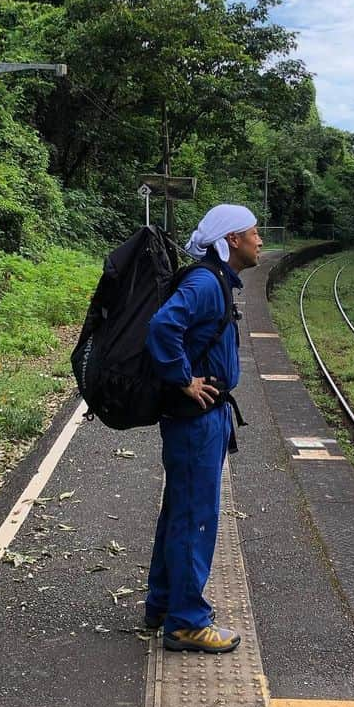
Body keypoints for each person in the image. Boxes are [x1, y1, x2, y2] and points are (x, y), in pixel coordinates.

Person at [143, 204, 263, 653]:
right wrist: (183, 378)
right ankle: (187, 622)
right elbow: (163, 326)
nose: (259, 241)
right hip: (197, 419)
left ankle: (162, 604)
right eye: (254, 233)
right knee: (195, 518)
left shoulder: (214, 281)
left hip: (200, 419)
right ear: (232, 239)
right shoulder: (205, 283)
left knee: (180, 512)